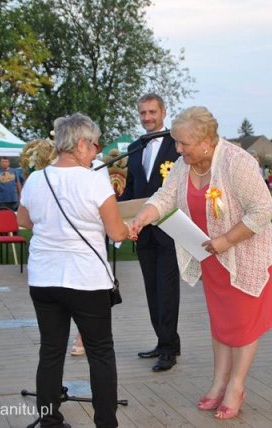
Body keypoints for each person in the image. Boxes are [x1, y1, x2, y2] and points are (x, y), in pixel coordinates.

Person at [130, 106, 272, 420]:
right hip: (212, 259)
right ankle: (218, 383)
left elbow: (263, 210)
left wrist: (227, 240)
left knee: (243, 325)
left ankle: (236, 386)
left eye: (183, 143)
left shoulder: (237, 163)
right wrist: (144, 215)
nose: (178, 148)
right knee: (222, 325)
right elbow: (165, 196)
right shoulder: (184, 166)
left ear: (206, 141)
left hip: (244, 255)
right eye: (176, 142)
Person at [17, 113, 130, 428]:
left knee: (50, 350)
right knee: (100, 352)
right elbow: (117, 233)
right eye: (94, 145)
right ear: (80, 144)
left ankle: (49, 420)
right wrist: (130, 229)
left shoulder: (36, 178)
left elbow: (23, 221)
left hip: (43, 277)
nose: (96, 152)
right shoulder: (95, 179)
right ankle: (106, 422)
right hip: (86, 278)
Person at [119, 93, 181, 372]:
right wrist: (125, 220)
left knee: (167, 290)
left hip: (169, 228)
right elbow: (131, 190)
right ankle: (164, 340)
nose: (147, 118)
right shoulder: (133, 148)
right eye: (143, 113)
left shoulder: (177, 146)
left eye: (152, 112)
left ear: (163, 112)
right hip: (142, 232)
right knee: (151, 289)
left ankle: (168, 350)